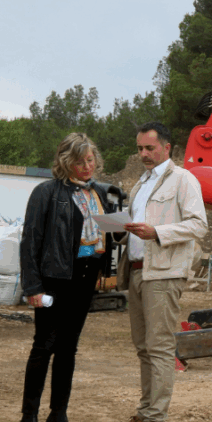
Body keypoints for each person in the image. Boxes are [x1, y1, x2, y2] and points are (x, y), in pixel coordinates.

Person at [20, 133, 113, 422]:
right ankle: (29, 415)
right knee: (43, 345)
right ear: (65, 162)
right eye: (79, 161)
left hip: (84, 281)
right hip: (52, 282)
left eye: (90, 159)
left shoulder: (100, 193)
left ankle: (58, 412)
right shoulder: (45, 192)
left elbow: (108, 233)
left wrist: (119, 231)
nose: (87, 166)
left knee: (68, 348)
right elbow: (30, 241)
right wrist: (33, 286)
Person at [118, 122, 207, 422]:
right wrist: (118, 230)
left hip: (164, 274)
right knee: (143, 347)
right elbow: (135, 228)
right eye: (140, 148)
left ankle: (156, 415)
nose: (143, 153)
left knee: (159, 347)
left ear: (167, 148)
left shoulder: (184, 180)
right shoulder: (139, 185)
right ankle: (146, 410)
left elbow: (199, 225)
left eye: (150, 148)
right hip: (136, 272)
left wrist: (157, 232)